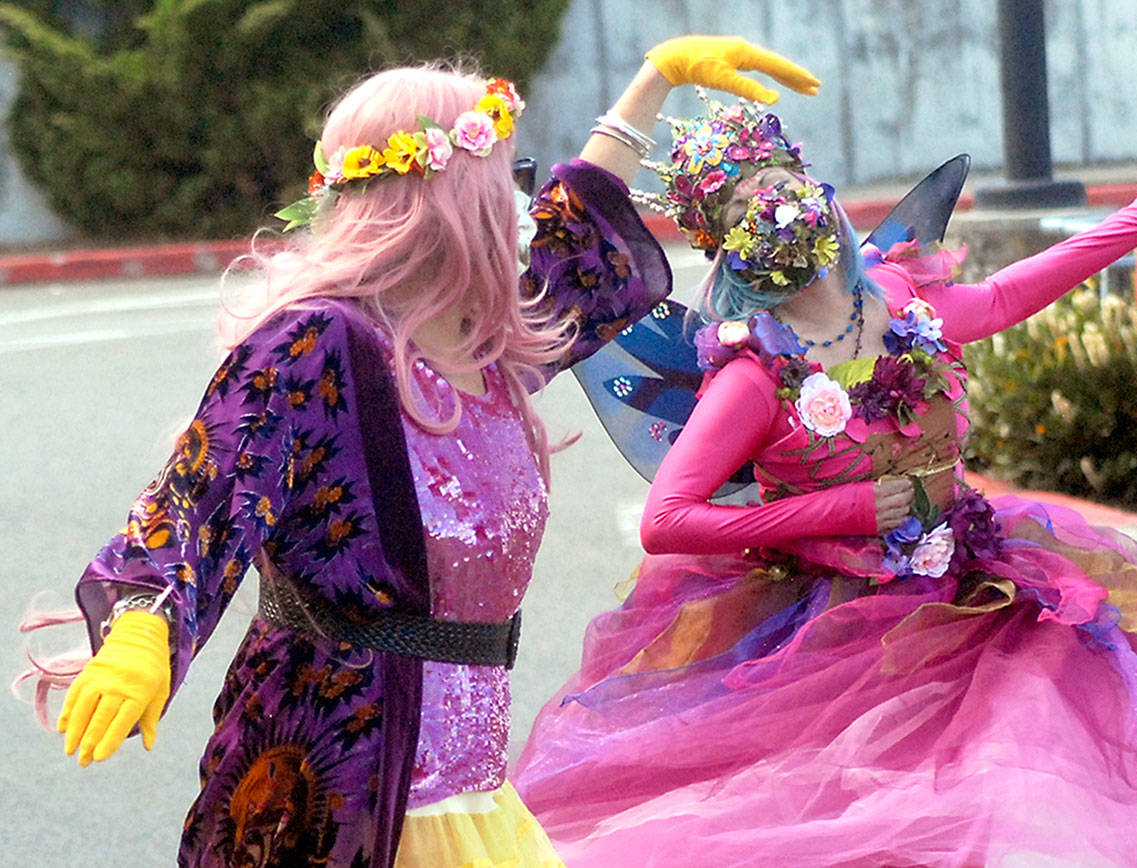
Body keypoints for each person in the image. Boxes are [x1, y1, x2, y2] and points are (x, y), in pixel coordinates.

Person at [21, 39, 819, 868]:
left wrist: (652, 84)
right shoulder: (318, 341)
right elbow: (207, 487)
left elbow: (577, 243)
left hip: (467, 795)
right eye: (502, 182)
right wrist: (143, 631)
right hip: (339, 784)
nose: (524, 207)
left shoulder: (480, 342)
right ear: (442, 198)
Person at [513, 90, 1137, 866]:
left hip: (971, 592)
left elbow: (1002, 297)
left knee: (969, 804)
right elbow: (668, 519)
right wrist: (842, 508)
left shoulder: (900, 301)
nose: (779, 200)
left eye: (780, 177)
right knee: (861, 831)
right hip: (836, 635)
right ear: (730, 248)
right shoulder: (753, 377)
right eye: (746, 201)